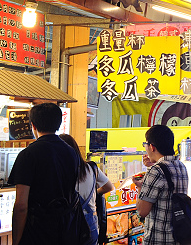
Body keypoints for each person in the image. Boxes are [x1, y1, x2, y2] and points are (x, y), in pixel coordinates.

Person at [9, 103, 81, 245]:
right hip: (66, 229)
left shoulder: (28, 154)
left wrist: (16, 241)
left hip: (37, 231)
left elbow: (21, 206)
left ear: (33, 125)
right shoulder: (71, 152)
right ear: (58, 124)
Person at [134, 125, 191, 245]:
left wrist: (140, 188)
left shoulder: (155, 171)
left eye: (145, 145)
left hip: (159, 239)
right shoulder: (181, 166)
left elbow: (142, 211)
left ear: (152, 147)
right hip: (179, 237)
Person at [59, 134, 115, 245]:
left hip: (69, 224)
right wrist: (94, 193)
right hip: (91, 224)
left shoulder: (59, 172)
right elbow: (109, 187)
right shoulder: (91, 168)